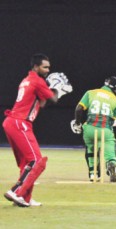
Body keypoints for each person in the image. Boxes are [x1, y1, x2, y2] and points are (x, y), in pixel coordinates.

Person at [2, 53, 72, 207]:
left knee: (26, 163)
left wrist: (51, 88)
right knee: (37, 161)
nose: (47, 70)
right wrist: (58, 90)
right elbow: (53, 99)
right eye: (44, 67)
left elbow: (42, 103)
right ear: (35, 66)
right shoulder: (37, 80)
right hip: (20, 123)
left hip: (12, 122)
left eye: (48, 67)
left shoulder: (27, 80)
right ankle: (16, 191)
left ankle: (24, 198)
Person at [71, 76, 116, 182]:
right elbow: (111, 121)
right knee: (110, 152)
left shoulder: (91, 92)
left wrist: (77, 123)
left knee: (91, 149)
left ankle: (93, 174)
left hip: (89, 128)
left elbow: (79, 109)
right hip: (105, 130)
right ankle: (112, 164)